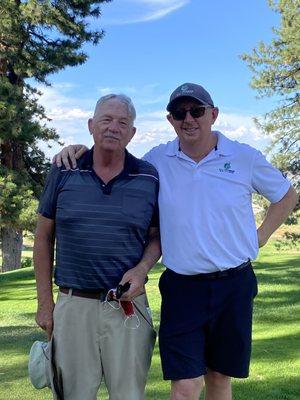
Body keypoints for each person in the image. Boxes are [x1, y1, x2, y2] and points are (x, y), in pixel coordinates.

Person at [54, 83, 298, 400]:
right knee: (184, 386)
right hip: (182, 288)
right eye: (179, 113)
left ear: (213, 114)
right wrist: (81, 150)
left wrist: (260, 236)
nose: (188, 119)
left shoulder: (243, 157)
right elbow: (117, 161)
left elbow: (286, 195)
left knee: (220, 377)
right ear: (170, 120)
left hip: (234, 284)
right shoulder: (158, 160)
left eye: (196, 111)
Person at [34, 94, 160, 400]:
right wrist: (45, 303)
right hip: (73, 305)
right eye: (106, 120)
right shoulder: (64, 169)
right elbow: (42, 237)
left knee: (129, 395)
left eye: (122, 123)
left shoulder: (148, 176)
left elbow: (157, 236)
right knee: (74, 395)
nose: (113, 128)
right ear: (91, 125)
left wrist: (142, 269)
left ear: (132, 133)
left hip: (126, 308)